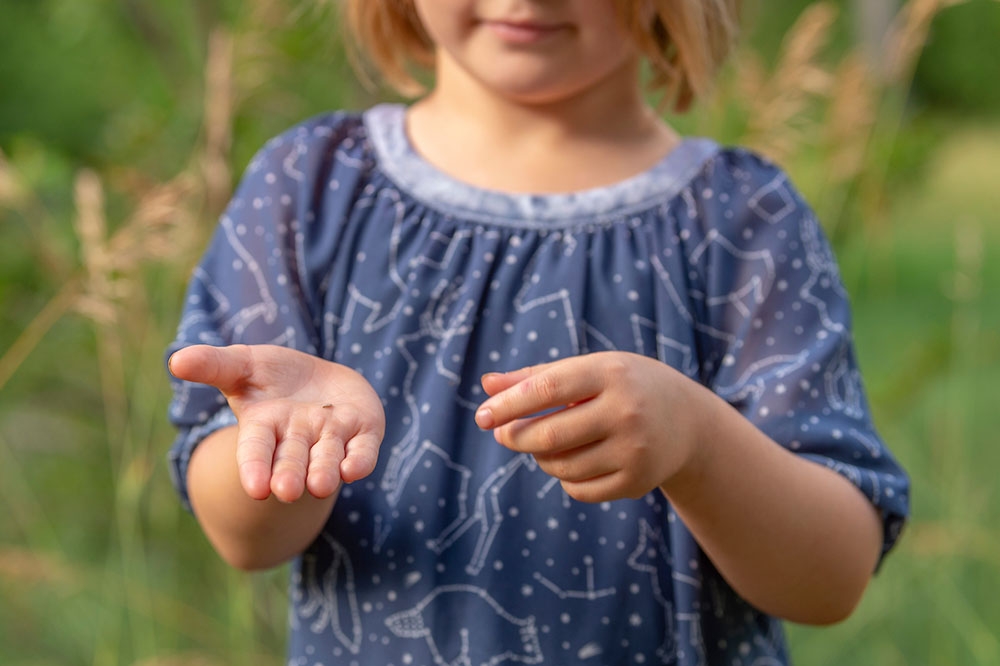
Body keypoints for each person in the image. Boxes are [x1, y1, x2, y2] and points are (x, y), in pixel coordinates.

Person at [166, 1, 909, 664]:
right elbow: (242, 537)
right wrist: (292, 454)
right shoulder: (313, 185)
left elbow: (831, 579)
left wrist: (699, 443)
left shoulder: (742, 219)